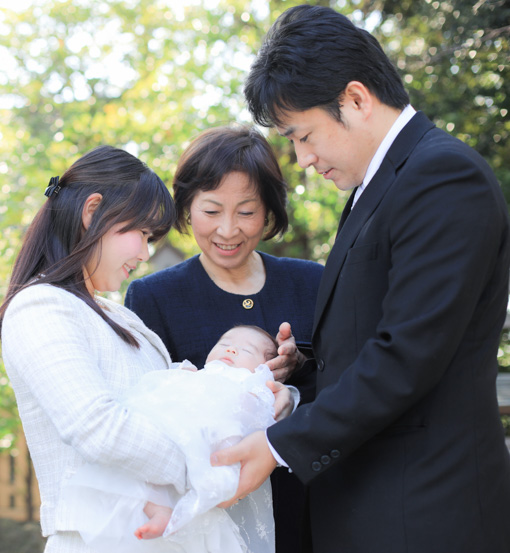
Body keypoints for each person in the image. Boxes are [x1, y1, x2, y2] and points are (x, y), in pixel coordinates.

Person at [212, 5, 510, 553]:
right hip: (375, 505)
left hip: (423, 510)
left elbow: (409, 353)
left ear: (354, 99)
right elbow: (381, 330)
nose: (301, 159)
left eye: (303, 136)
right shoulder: (379, 187)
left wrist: (277, 446)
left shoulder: (443, 176)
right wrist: (303, 366)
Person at [0, 145, 293, 553]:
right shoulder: (41, 306)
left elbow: (186, 407)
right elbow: (97, 426)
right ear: (92, 211)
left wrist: (267, 399)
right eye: (141, 234)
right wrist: (209, 473)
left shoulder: (118, 316)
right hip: (103, 539)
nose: (145, 253)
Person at [125, 124, 323, 553]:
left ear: (269, 211)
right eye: (211, 211)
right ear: (187, 209)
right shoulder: (153, 297)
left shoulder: (314, 284)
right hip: (207, 524)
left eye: (246, 211)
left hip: (310, 511)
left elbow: (350, 387)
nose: (228, 230)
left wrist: (294, 388)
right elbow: (146, 411)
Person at [60, 325, 287, 553]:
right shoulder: (196, 373)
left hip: (215, 442)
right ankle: (159, 511)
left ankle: (191, 500)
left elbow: (264, 417)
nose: (232, 351)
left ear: (265, 368)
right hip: (171, 434)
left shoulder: (251, 383)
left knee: (216, 460)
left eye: (246, 350)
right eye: (224, 344)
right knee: (145, 474)